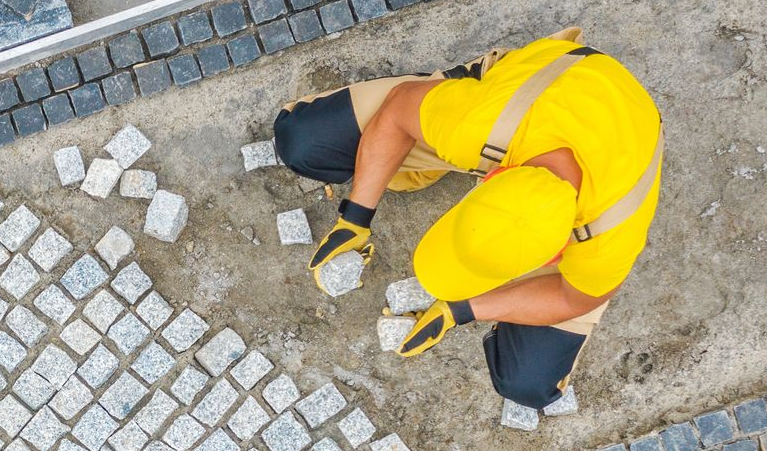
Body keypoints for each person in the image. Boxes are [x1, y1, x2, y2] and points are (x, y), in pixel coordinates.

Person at [271, 28, 662, 410]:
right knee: (303, 141)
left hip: (626, 131)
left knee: (528, 383)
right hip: (547, 82)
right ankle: (429, 139)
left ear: (557, 252)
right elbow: (399, 108)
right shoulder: (482, 126)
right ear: (489, 175)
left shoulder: (608, 238)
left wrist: (461, 311)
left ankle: (417, 159)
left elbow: (575, 296)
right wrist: (354, 217)